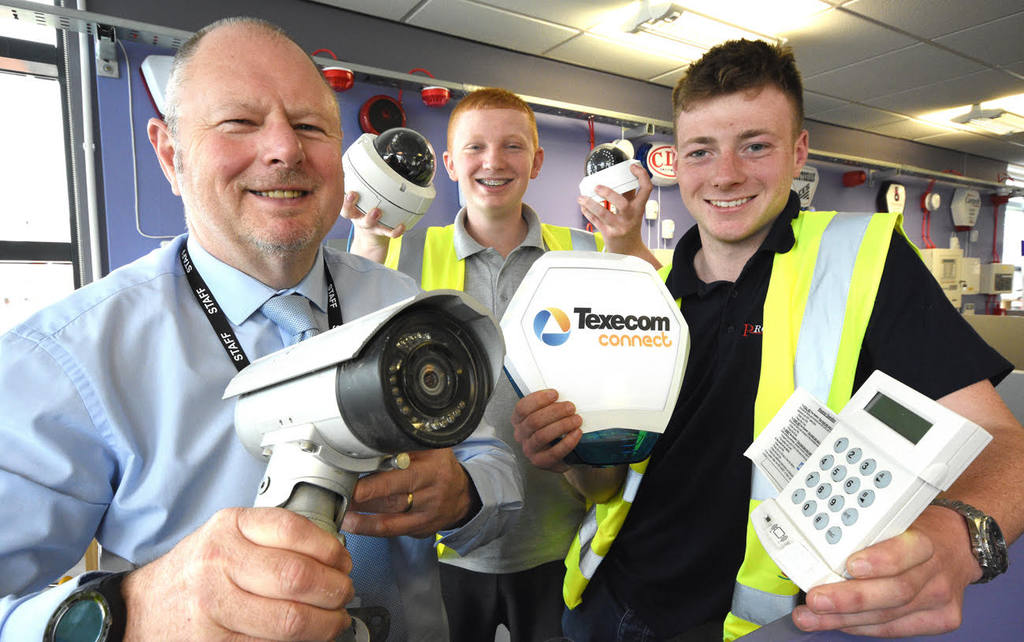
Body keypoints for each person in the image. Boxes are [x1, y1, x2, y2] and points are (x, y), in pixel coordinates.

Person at [0, 17, 522, 641]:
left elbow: (494, 464)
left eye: (310, 126)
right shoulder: (65, 359)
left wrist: (463, 495)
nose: (285, 150)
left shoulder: (403, 307)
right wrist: (129, 613)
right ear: (170, 154)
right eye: (239, 122)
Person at [512, 39, 1024, 641]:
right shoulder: (649, 297)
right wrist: (572, 455)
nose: (726, 174)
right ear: (677, 161)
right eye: (701, 151)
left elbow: (1001, 438)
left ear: (798, 151)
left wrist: (959, 539)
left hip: (754, 626)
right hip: (605, 600)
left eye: (755, 145)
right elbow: (610, 485)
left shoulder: (862, 261)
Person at [344, 87, 659, 641]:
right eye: (475, 148)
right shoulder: (400, 254)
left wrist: (629, 240)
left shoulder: (587, 251)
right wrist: (368, 239)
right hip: (441, 541)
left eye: (513, 146)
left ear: (537, 162)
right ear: (448, 164)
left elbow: (653, 322)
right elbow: (347, 342)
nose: (493, 161)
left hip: (561, 538)